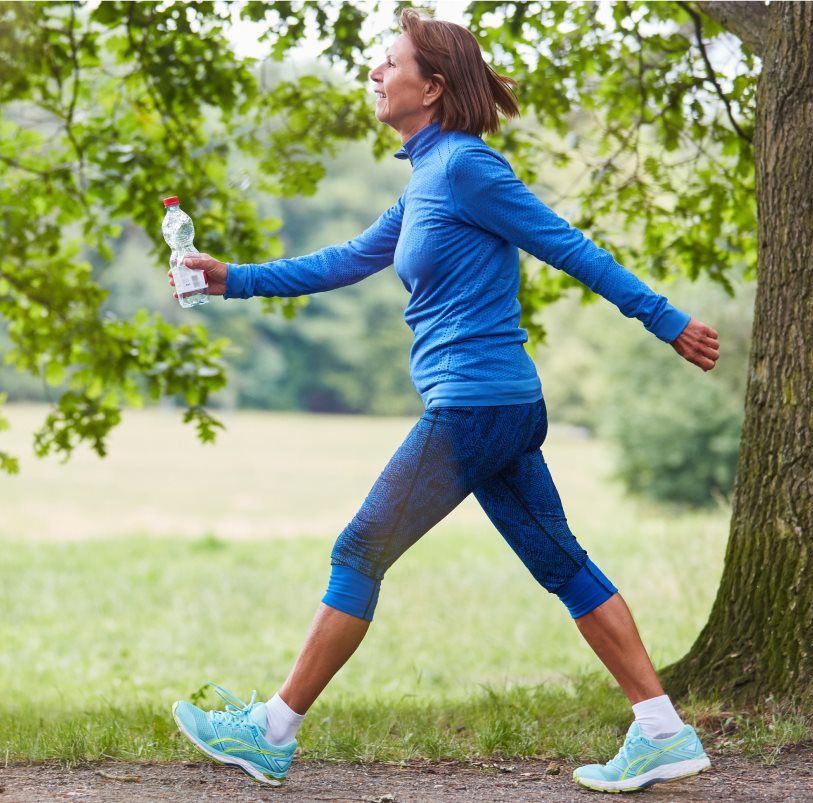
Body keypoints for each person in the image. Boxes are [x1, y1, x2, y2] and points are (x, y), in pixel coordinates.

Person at [165, 8, 722, 794]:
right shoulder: (426, 177)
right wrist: (231, 278)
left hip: (473, 407)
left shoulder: (466, 167)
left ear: (430, 86)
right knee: (560, 563)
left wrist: (664, 320)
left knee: (359, 550)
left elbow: (565, 243)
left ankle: (271, 732)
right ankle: (662, 729)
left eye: (387, 62)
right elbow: (346, 259)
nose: (374, 73)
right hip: (494, 409)